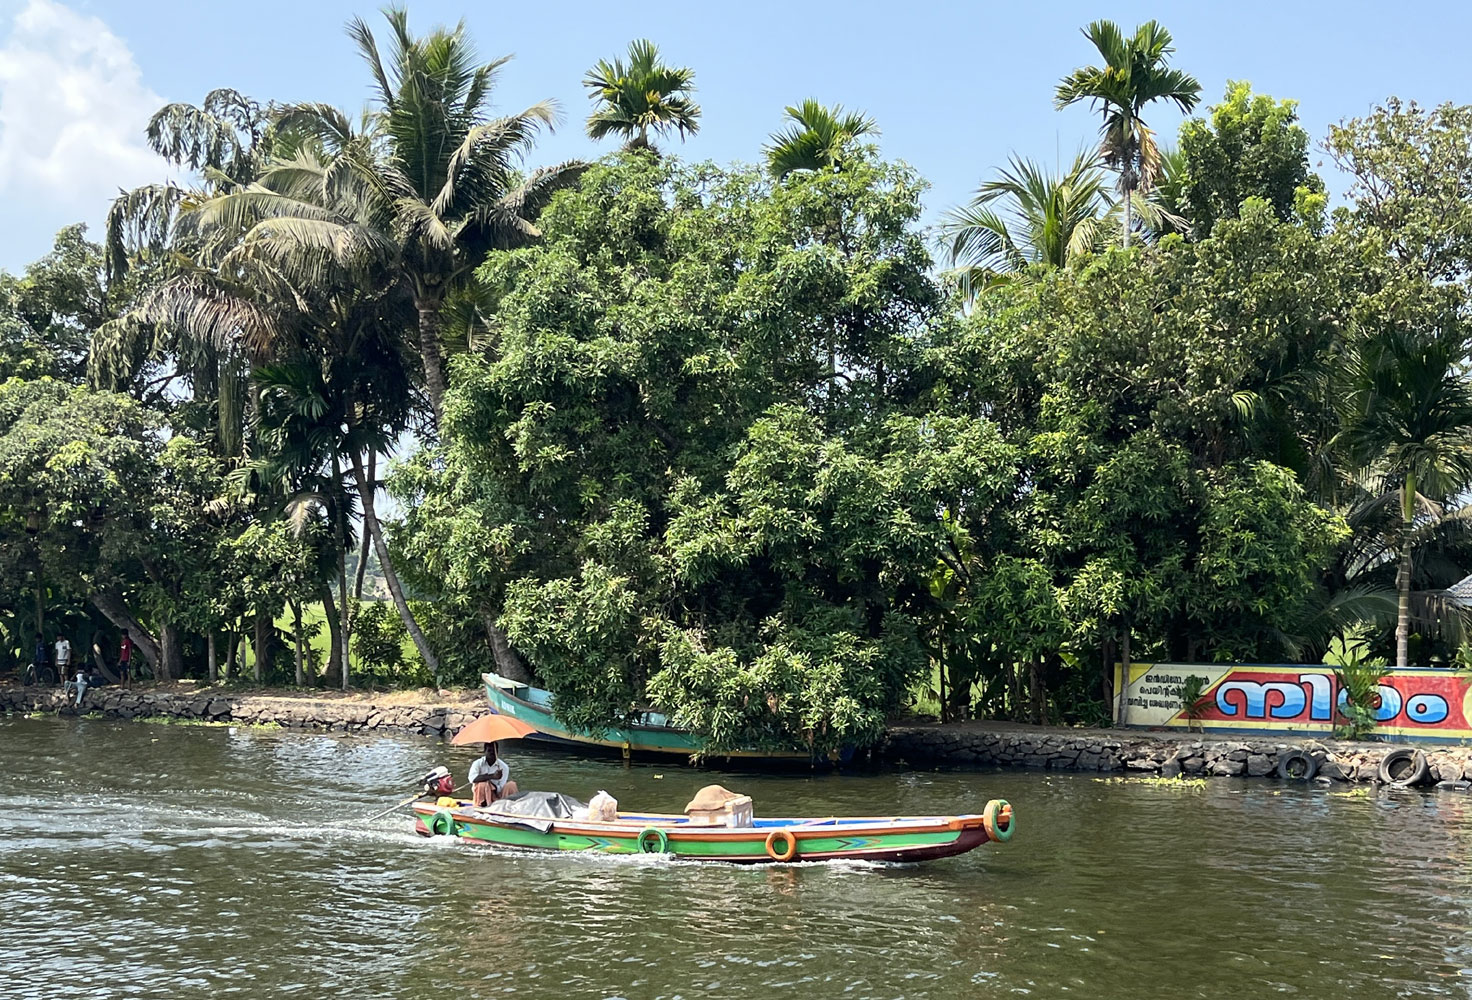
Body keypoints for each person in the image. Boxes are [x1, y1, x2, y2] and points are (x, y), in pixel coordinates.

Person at [469, 742, 519, 807]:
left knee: (511, 785)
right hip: (482, 797)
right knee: (483, 785)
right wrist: (492, 776)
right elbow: (472, 779)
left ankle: (510, 806)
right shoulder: (477, 763)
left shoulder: (503, 767)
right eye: (489, 750)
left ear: (497, 752)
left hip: (499, 796)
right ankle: (481, 806)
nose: (491, 753)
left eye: (494, 751)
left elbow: (501, 787)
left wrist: (492, 787)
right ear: (484, 751)